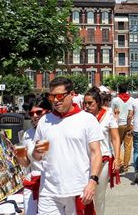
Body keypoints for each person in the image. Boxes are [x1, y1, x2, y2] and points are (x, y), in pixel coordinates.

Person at [32, 77, 103, 215]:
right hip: (49, 190)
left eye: (59, 96)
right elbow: (37, 156)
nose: (56, 100)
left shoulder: (87, 119)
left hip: (78, 189)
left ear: (72, 94)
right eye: (51, 97)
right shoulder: (44, 121)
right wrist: (35, 151)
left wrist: (93, 182)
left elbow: (96, 153)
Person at [82, 87, 121, 215]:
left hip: (103, 160)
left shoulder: (108, 114)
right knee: (84, 195)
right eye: (85, 103)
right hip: (85, 160)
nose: (87, 106)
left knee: (98, 196)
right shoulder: (81, 117)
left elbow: (115, 138)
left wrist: (117, 157)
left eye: (90, 103)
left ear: (98, 103)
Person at [15, 97, 52, 215]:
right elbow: (26, 163)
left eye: (39, 112)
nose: (35, 116)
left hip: (51, 183)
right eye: (31, 113)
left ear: (49, 112)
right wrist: (18, 155)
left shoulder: (55, 131)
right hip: (32, 181)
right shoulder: (28, 134)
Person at [111, 82, 133, 173]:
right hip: (129, 124)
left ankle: (119, 162)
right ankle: (126, 165)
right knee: (128, 146)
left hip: (118, 124)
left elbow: (112, 112)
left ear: (119, 90)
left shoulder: (115, 100)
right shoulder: (132, 99)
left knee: (117, 145)